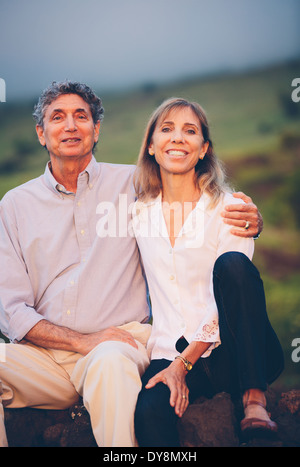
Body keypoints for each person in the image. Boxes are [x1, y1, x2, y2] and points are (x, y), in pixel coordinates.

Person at [0, 82, 262, 448]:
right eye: (57, 118)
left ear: (97, 130)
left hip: (116, 345)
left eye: (81, 117)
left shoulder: (136, 183)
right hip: (43, 357)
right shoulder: (14, 205)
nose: (71, 126)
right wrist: (80, 340)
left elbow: (192, 189)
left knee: (110, 363)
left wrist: (252, 220)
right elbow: (11, 311)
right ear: (42, 134)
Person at [133, 98, 284, 447]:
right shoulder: (138, 213)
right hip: (169, 352)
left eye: (190, 131)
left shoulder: (231, 208)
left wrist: (183, 365)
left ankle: (254, 400)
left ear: (203, 149)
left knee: (232, 265)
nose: (177, 138)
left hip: (231, 351)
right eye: (166, 129)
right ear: (151, 147)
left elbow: (236, 285)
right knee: (149, 413)